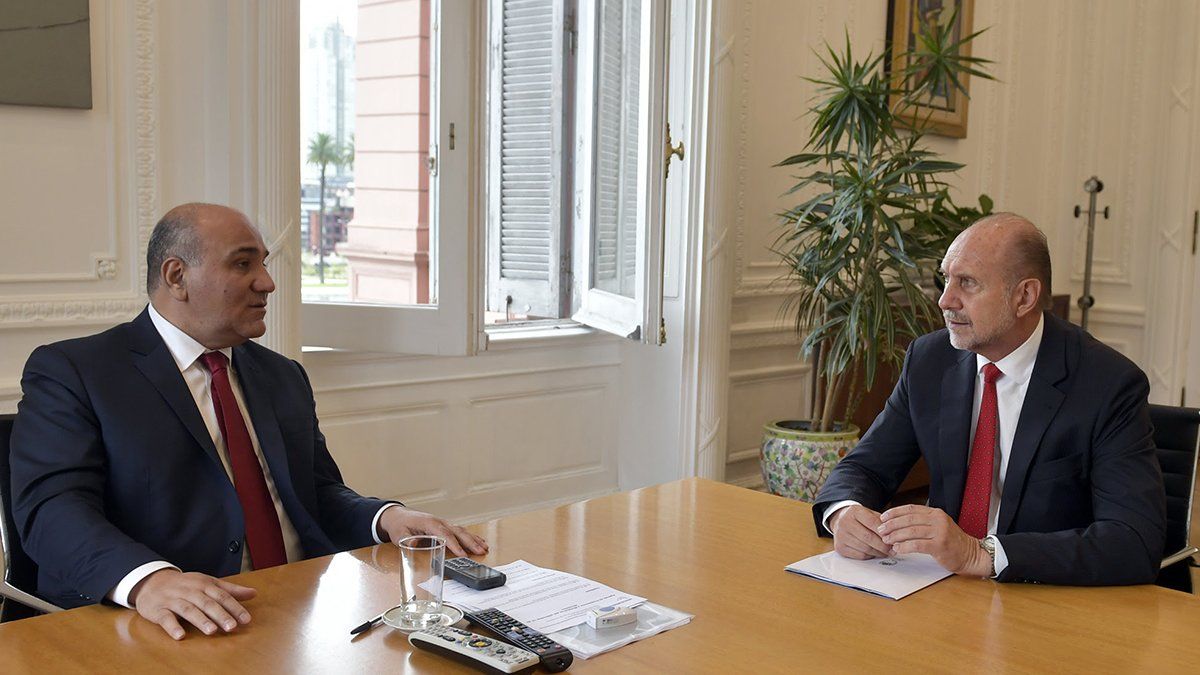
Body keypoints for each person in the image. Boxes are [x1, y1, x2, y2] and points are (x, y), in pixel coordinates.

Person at [11, 203, 487, 639]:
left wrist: (388, 518)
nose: (267, 282)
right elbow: (51, 511)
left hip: (299, 612)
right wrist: (148, 581)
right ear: (177, 276)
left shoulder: (282, 375)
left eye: (263, 263)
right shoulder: (76, 372)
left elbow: (315, 493)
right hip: (166, 626)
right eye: (243, 264)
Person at [813, 212, 1166, 586]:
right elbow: (864, 468)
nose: (945, 301)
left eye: (967, 283)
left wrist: (979, 554)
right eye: (945, 278)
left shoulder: (1107, 384)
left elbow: (1134, 541)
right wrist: (844, 513)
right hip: (940, 591)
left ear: (1025, 296)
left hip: (1044, 600)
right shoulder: (930, 360)